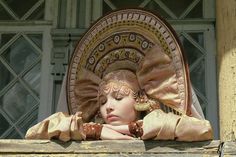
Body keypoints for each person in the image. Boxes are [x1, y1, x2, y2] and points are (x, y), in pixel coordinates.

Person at [25, 45, 213, 142]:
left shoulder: (156, 122)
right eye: (103, 101)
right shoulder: (83, 129)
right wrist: (97, 131)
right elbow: (33, 134)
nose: (109, 107)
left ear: (139, 98)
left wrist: (131, 129)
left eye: (118, 97)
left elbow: (203, 130)